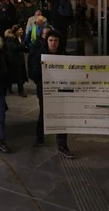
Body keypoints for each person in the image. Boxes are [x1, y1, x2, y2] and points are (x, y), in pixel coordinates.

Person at [29, 30, 75, 158]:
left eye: (56, 41)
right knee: (44, 112)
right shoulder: (40, 55)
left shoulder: (65, 56)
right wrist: (39, 67)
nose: (53, 43)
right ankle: (40, 136)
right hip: (45, 90)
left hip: (61, 91)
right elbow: (33, 75)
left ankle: (62, 144)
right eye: (50, 40)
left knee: (62, 115)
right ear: (46, 41)